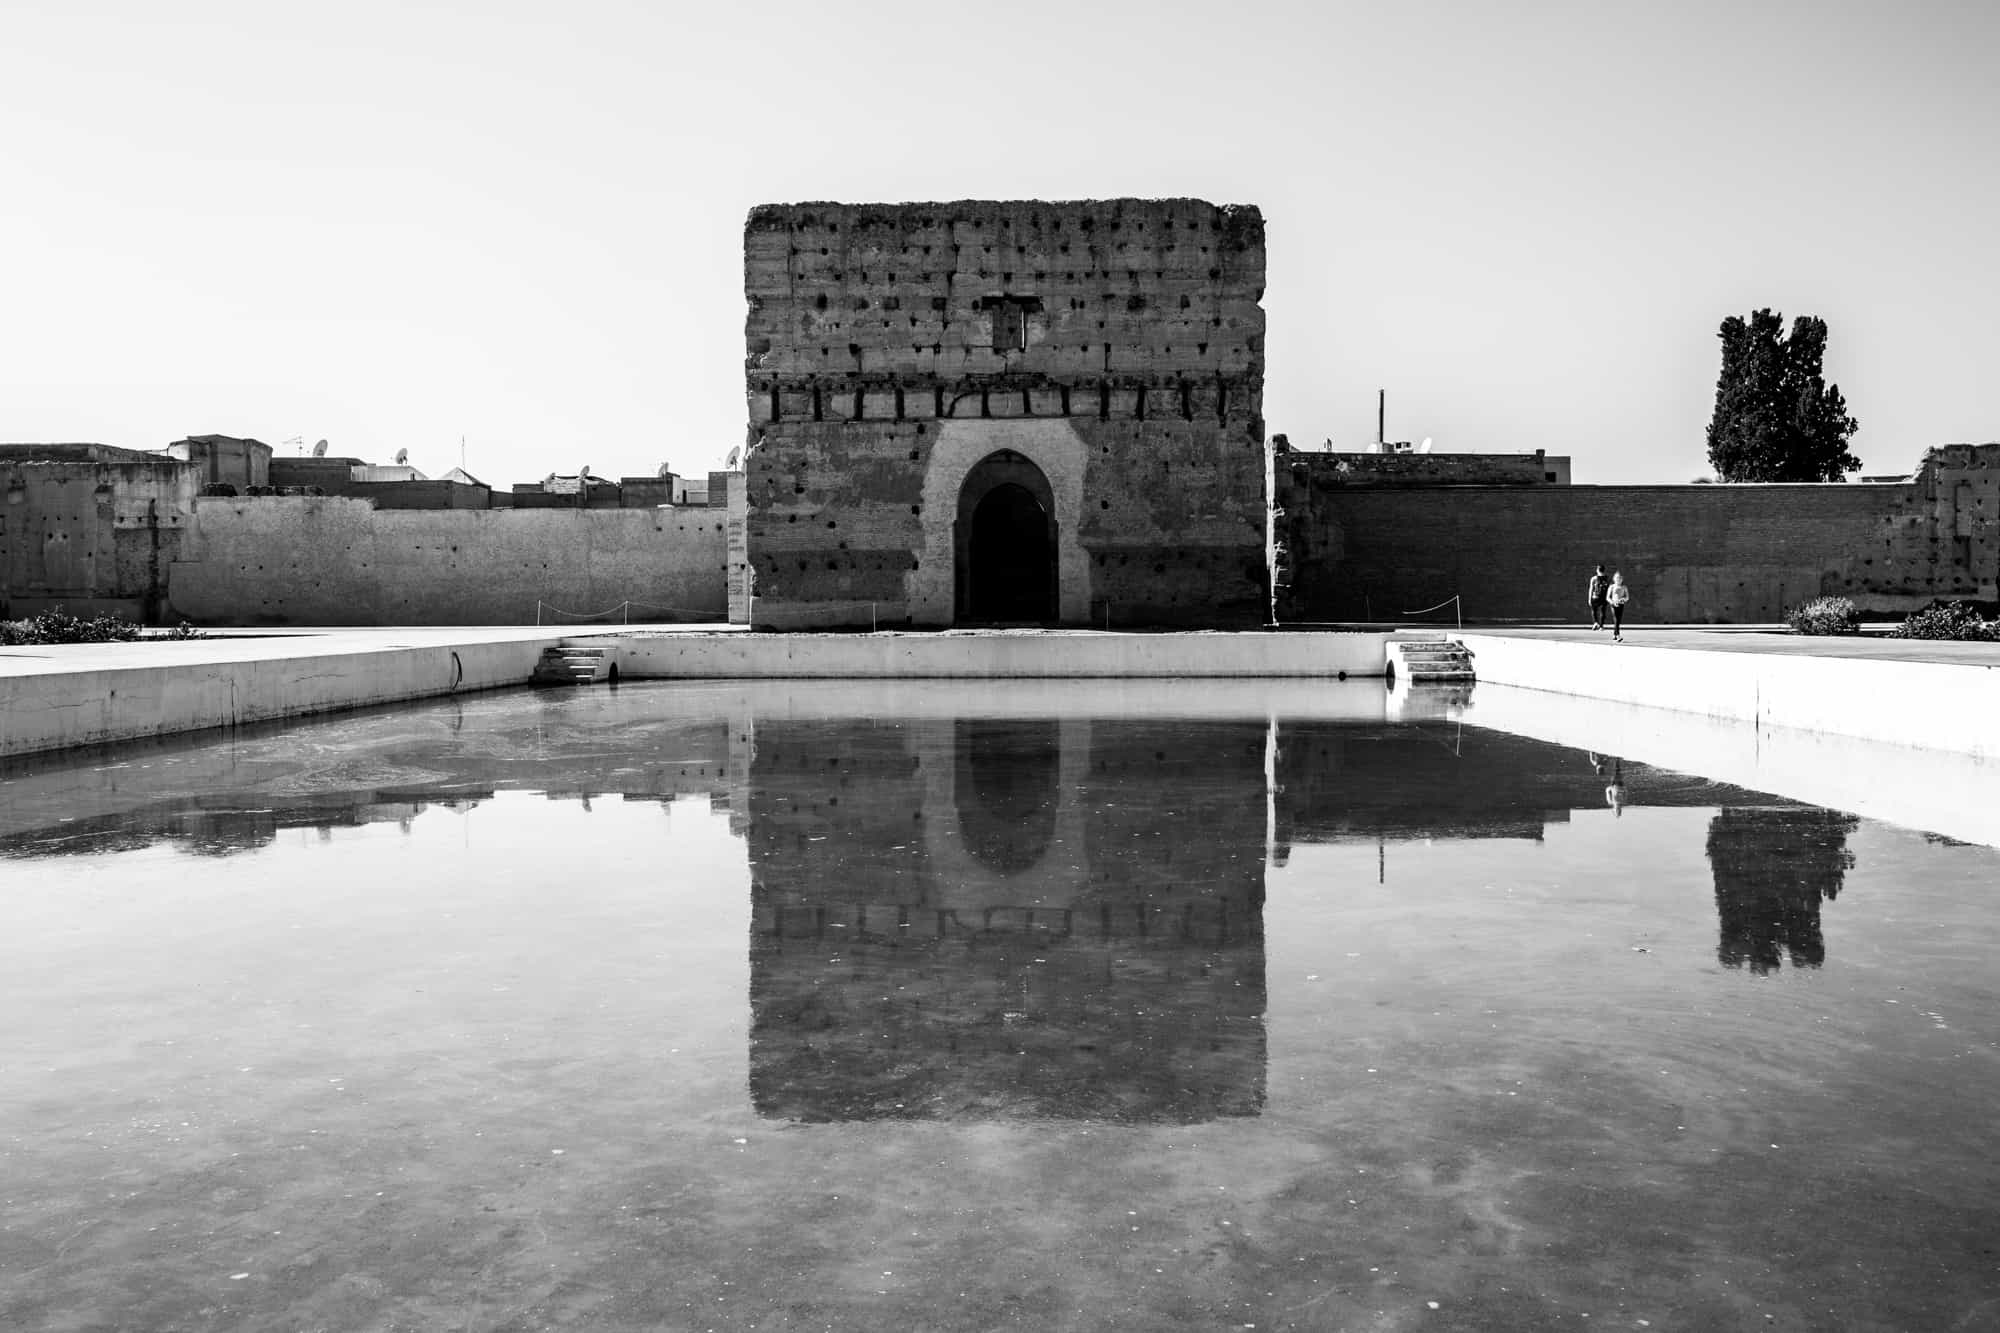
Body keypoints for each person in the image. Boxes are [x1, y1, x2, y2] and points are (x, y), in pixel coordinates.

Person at [1606, 569, 1631, 641]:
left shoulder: (1624, 587)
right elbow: (1608, 597)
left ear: (1622, 579)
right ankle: (1618, 635)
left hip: (1621, 604)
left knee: (1618, 620)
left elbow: (1627, 597)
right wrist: (1612, 602)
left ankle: (1614, 634)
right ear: (1614, 579)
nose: (1618, 579)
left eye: (1620, 578)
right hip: (1614, 605)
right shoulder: (1612, 587)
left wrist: (1623, 599)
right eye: (1617, 578)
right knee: (1616, 619)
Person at [1587, 564, 1609, 630]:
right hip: (1604, 597)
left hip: (1595, 596)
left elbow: (1591, 588)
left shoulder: (1594, 578)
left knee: (1594, 610)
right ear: (1604, 570)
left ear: (1597, 570)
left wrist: (1589, 598)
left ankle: (1595, 622)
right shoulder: (1607, 578)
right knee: (1603, 611)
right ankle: (1601, 626)